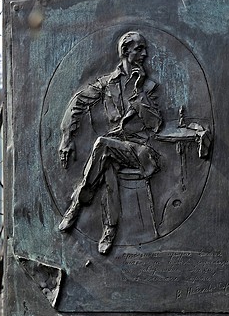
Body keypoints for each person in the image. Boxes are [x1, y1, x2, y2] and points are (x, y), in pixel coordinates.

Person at [58, 31, 163, 254]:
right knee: (106, 163)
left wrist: (138, 91)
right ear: (125, 52)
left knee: (103, 145)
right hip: (113, 150)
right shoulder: (107, 84)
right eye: (139, 49)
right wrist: (67, 138)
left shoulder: (149, 87)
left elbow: (155, 124)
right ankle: (110, 229)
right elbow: (77, 103)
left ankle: (78, 202)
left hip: (141, 152)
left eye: (144, 49)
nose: (145, 54)